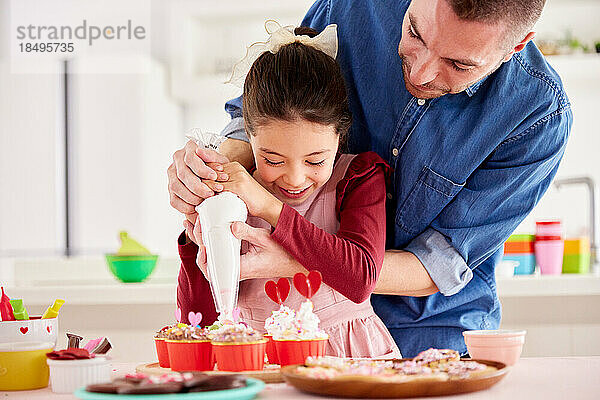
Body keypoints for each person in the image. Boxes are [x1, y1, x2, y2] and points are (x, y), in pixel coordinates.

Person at [168, 0, 572, 357]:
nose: (422, 71)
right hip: (289, 337)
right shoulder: (354, 6)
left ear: (516, 46)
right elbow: (262, 111)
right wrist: (213, 174)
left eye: (458, 64)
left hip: (429, 333)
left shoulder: (537, 116)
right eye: (415, 32)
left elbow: (436, 265)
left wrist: (300, 262)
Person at [177, 23, 400, 358]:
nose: (295, 179)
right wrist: (197, 243)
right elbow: (198, 323)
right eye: (273, 159)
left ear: (339, 137)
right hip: (256, 358)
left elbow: (360, 277)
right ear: (247, 136)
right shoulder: (231, 195)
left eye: (315, 160)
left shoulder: (358, 178)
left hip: (348, 358)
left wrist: (268, 206)